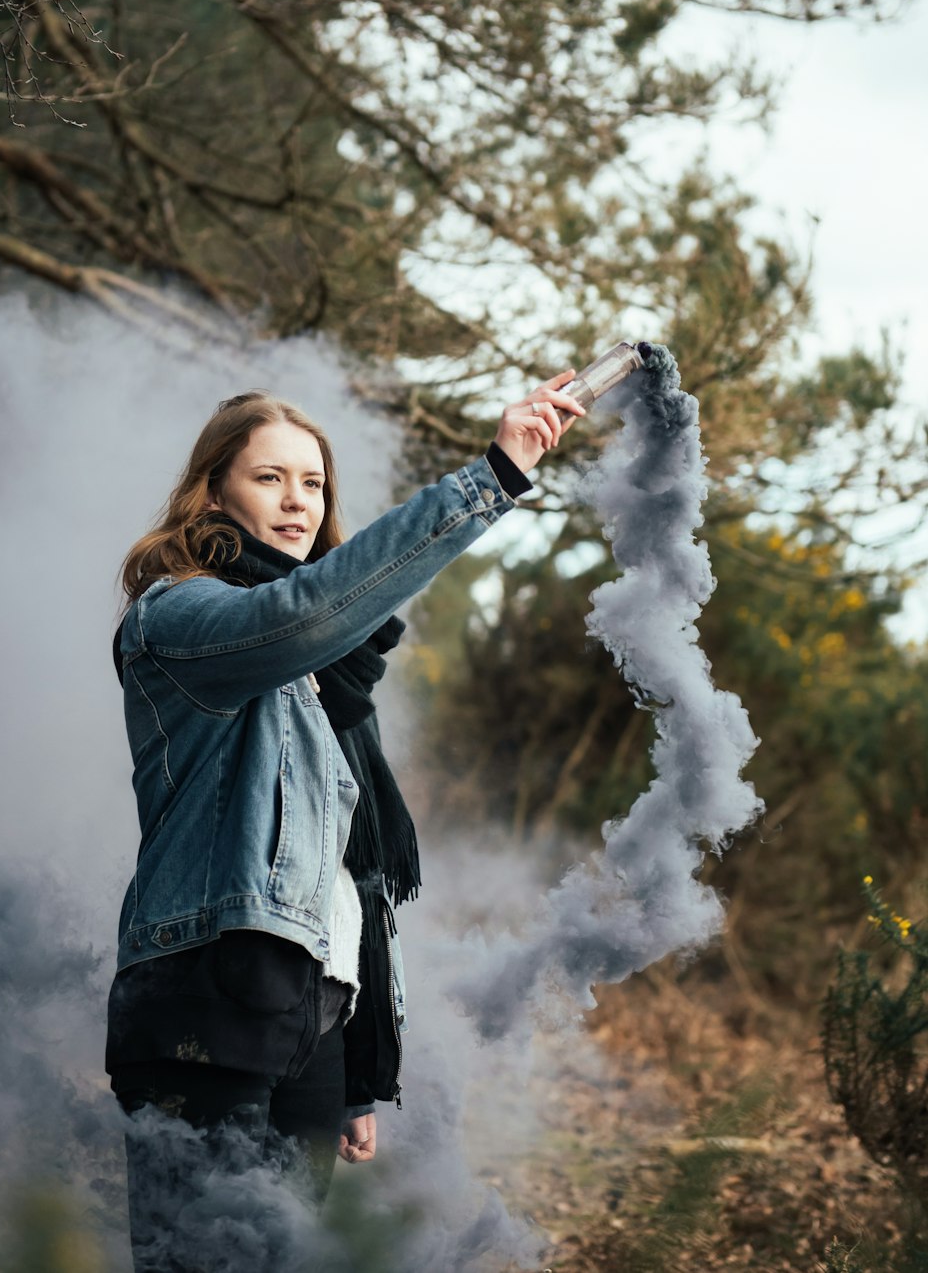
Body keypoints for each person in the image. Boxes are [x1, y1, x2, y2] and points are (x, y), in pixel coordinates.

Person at [106, 370, 582, 1270]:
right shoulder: (180, 615)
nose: (297, 501)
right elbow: (300, 612)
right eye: (269, 477)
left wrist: (355, 1069)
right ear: (213, 492)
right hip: (203, 994)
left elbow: (341, 881)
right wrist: (494, 474)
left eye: (313, 482)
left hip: (309, 1013)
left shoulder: (329, 670)